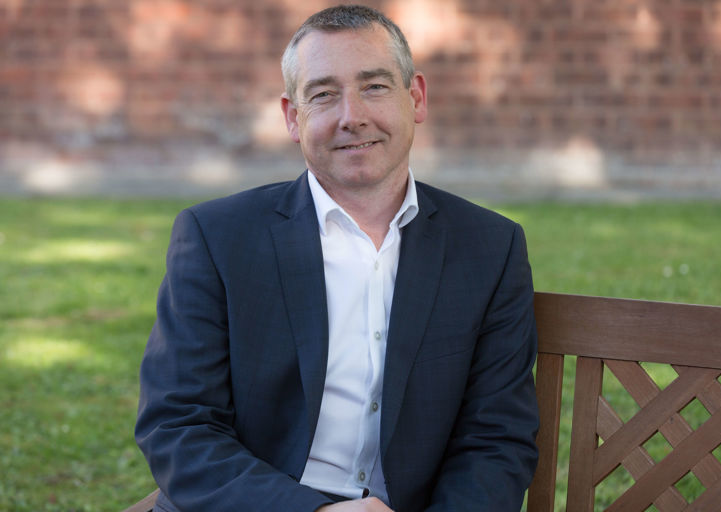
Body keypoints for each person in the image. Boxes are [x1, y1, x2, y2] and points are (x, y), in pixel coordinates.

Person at [135, 5, 539, 512]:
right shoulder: (216, 238)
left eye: (374, 87)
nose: (353, 117)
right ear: (292, 117)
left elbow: (497, 438)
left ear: (415, 97)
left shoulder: (489, 247)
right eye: (324, 94)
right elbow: (178, 425)